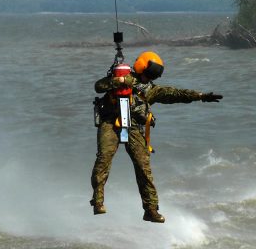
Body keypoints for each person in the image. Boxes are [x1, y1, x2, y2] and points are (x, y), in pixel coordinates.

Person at [90, 51, 223, 223]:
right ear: (141, 69)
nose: (148, 79)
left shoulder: (151, 90)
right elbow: (99, 86)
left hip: (132, 125)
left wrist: (201, 96)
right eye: (147, 75)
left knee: (143, 167)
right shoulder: (122, 76)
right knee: (103, 159)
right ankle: (98, 201)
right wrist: (119, 81)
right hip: (110, 122)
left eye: (151, 77)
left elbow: (175, 94)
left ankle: (151, 210)